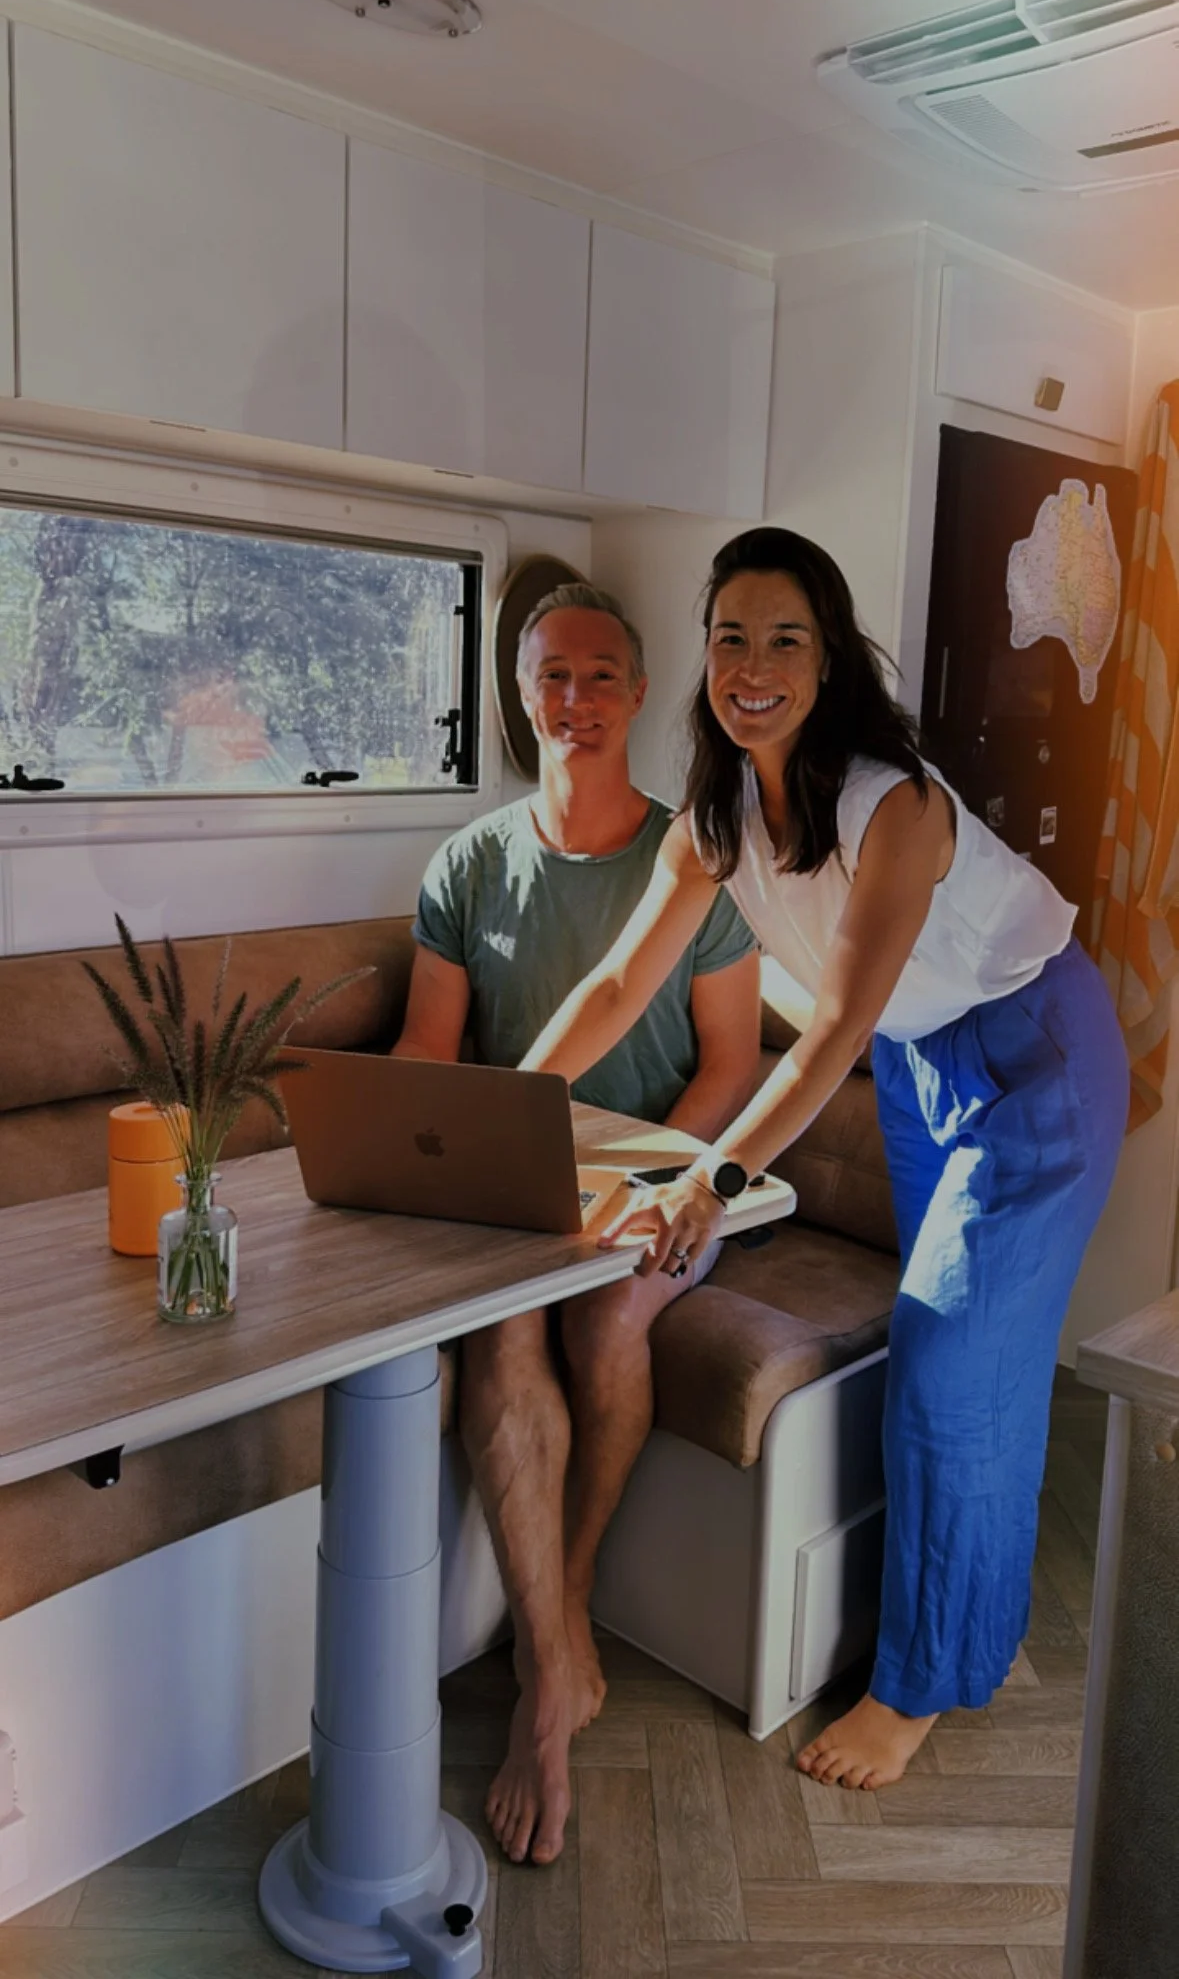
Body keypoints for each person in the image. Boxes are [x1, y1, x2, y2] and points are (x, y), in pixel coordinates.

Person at [521, 527, 1129, 1794]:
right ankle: (978, 1626)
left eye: (785, 638)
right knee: (982, 1363)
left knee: (951, 1360)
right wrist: (509, 1099)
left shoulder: (892, 805)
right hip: (921, 1060)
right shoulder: (718, 817)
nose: (753, 664)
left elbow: (833, 1028)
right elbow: (625, 977)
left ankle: (916, 1685)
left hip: (1035, 1057)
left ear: (830, 656)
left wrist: (711, 1178)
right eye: (731, 636)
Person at [393, 581, 761, 1861]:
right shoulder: (465, 863)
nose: (574, 700)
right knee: (499, 1341)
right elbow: (429, 1058)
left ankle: (571, 1595)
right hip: (522, 1190)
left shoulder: (694, 857)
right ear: (518, 692)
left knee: (609, 1327)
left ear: (643, 691)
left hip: (670, 1184)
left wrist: (664, 1182)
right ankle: (555, 1676)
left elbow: (730, 1067)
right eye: (551, 675)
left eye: (601, 674)